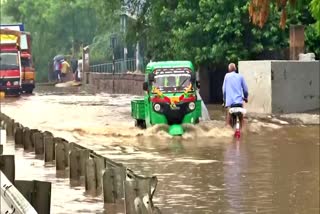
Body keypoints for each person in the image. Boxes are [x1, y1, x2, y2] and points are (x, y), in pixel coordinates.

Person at [222, 63, 249, 129]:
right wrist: (245, 98)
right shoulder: (240, 76)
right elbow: (245, 90)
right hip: (239, 103)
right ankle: (243, 132)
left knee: (227, 123)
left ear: (229, 69)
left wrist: (224, 101)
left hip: (230, 104)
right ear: (235, 69)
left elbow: (224, 90)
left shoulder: (227, 76)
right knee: (241, 120)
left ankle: (227, 131)